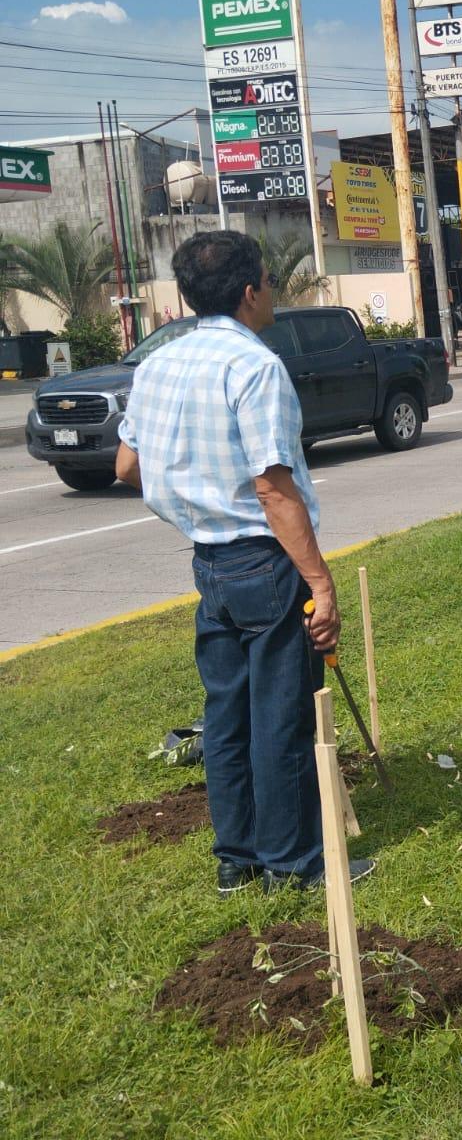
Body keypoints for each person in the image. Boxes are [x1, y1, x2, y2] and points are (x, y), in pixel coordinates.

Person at [114, 230, 373, 896]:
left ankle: (237, 859)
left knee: (226, 715)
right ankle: (292, 861)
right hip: (264, 559)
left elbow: (126, 463)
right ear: (252, 290)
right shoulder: (254, 367)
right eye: (268, 281)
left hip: (209, 562)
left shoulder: (156, 365)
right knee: (280, 714)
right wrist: (319, 580)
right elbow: (272, 487)